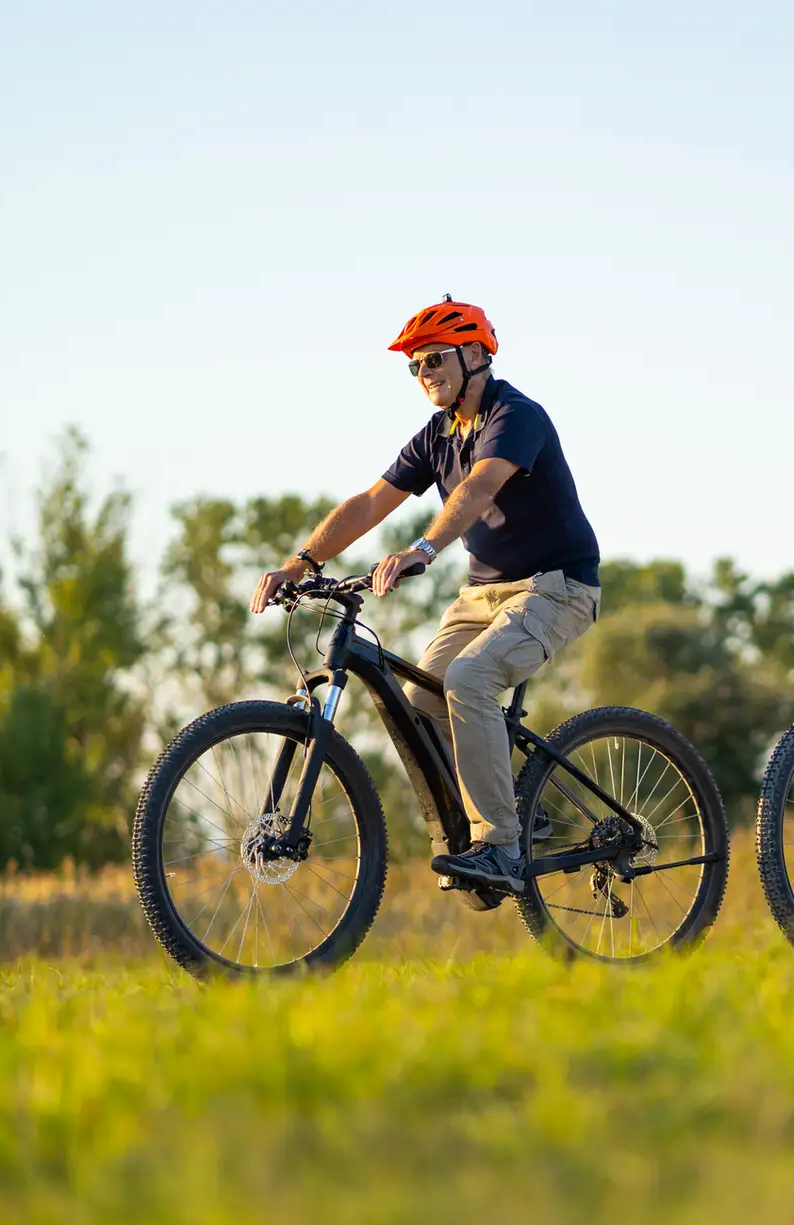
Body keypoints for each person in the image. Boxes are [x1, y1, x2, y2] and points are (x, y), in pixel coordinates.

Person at [249, 297, 601, 898]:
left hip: (556, 587)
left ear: (475, 354)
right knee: (418, 702)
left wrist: (423, 549)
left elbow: (478, 488)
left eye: (434, 359)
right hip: (483, 595)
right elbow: (369, 502)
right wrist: (300, 563)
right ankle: (504, 817)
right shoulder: (438, 435)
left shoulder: (515, 415)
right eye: (415, 366)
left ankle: (501, 844)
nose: (424, 373)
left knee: (469, 679)